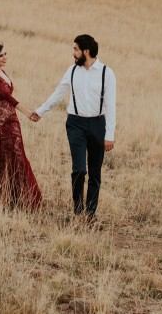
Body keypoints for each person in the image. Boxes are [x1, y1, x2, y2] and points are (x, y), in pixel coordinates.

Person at [30, 34, 116, 223]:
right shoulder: (71, 71)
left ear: (86, 51)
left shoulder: (106, 73)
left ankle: (90, 215)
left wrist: (109, 135)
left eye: (75, 50)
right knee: (78, 170)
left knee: (94, 172)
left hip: (97, 125)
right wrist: (40, 112)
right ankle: (78, 212)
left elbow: (111, 106)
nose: (73, 54)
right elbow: (58, 94)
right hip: (75, 124)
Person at [0, 43, 42, 209]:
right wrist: (26, 112)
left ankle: (18, 196)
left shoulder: (2, 73)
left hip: (10, 118)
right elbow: (7, 98)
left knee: (17, 154)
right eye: (1, 55)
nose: (5, 58)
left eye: (5, 54)